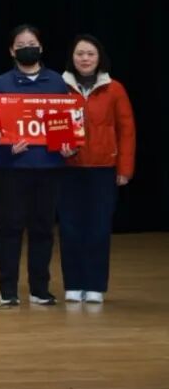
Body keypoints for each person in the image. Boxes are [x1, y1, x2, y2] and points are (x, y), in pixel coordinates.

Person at [0, 24, 72, 307]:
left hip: (49, 167)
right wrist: (4, 142)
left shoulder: (57, 83)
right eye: (21, 45)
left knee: (43, 229)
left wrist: (67, 144)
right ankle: (7, 290)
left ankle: (39, 288)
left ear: (41, 48)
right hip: (13, 167)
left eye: (32, 44)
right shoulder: (1, 84)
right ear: (12, 51)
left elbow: (67, 125)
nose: (27, 48)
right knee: (10, 228)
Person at [59, 34, 136, 303]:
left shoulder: (114, 89)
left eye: (90, 54)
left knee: (99, 228)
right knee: (69, 228)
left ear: (99, 57)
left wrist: (124, 168)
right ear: (72, 58)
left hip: (104, 168)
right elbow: (49, 123)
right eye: (80, 54)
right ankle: (73, 283)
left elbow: (127, 131)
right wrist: (58, 148)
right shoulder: (59, 86)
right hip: (68, 168)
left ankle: (95, 285)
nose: (85, 59)